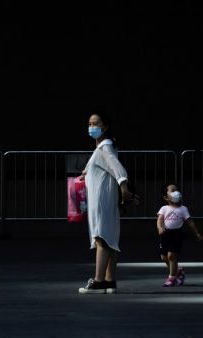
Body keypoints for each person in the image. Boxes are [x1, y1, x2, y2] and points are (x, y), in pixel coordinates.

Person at [78, 110, 137, 294]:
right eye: (89, 124)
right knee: (109, 238)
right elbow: (102, 167)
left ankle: (98, 281)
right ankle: (110, 281)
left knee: (101, 237)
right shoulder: (102, 147)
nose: (91, 127)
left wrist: (124, 188)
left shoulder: (105, 146)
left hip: (102, 200)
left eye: (95, 123)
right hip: (103, 198)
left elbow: (116, 168)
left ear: (105, 126)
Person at [156, 184, 203, 287]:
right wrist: (160, 228)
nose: (176, 192)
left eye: (176, 190)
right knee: (164, 257)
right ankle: (178, 271)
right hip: (165, 234)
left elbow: (190, 222)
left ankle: (171, 278)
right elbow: (159, 220)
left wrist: (197, 233)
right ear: (166, 197)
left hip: (176, 234)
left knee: (171, 255)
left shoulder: (183, 209)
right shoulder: (164, 208)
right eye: (172, 191)